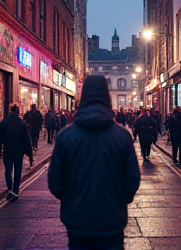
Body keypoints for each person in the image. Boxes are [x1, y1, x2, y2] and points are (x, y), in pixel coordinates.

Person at [48, 74, 140, 250]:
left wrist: (71, 200)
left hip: (77, 221)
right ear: (107, 96)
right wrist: (119, 201)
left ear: (83, 97)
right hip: (112, 220)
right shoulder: (122, 137)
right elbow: (132, 180)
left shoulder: (65, 136)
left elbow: (55, 182)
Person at [0, 104, 34, 201]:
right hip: (19, 151)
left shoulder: (3, 122)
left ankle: (10, 190)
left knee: (8, 171)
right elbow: (26, 140)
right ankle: (16, 190)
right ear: (18, 112)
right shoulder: (22, 123)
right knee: (18, 171)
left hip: (7, 151)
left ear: (10, 111)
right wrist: (30, 154)